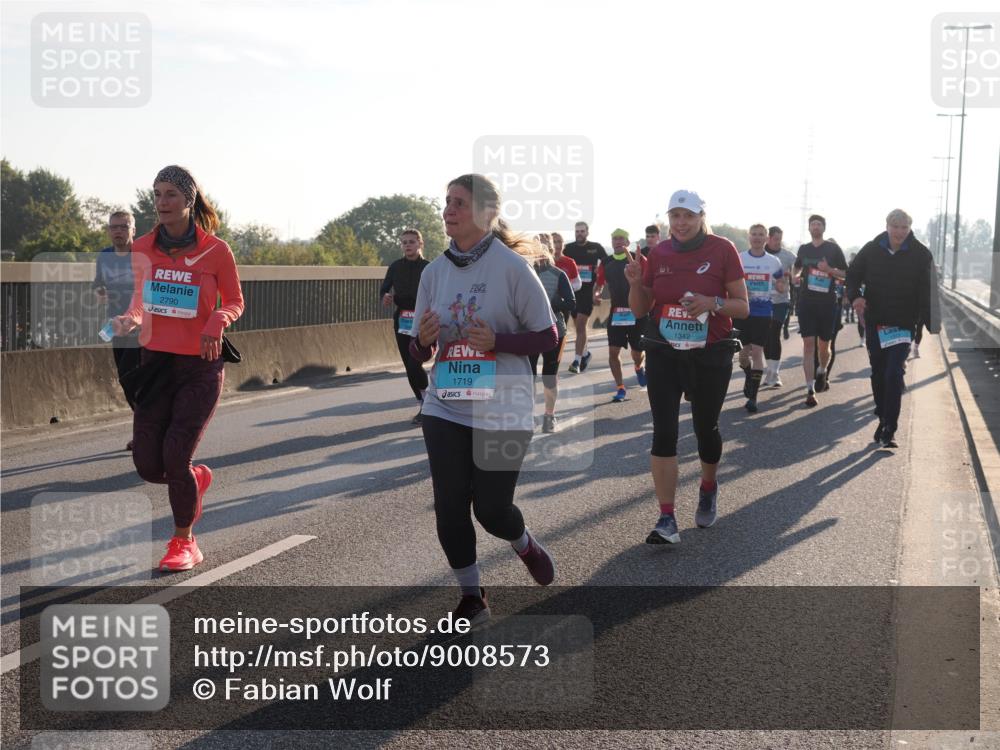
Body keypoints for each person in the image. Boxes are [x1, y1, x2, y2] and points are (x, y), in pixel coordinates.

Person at [409, 174, 558, 625]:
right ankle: (472, 594)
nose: (447, 211)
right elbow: (418, 350)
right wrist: (424, 342)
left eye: (459, 203)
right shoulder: (433, 272)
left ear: (487, 212)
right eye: (446, 202)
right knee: (450, 502)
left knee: (491, 510)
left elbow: (549, 336)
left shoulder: (512, 268)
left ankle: (523, 543)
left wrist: (499, 340)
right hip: (447, 403)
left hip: (504, 405)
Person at [112, 165, 244, 572]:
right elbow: (140, 299)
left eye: (170, 194)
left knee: (175, 454)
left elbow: (234, 301)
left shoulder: (216, 250)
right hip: (156, 365)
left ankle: (184, 540)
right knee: (149, 465)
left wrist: (216, 321)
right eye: (157, 194)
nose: (162, 202)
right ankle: (194, 478)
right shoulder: (142, 249)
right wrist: (129, 319)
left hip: (199, 368)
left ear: (189, 200)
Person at [626, 190, 748, 545]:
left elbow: (742, 306)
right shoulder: (659, 252)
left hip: (711, 352)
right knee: (663, 431)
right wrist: (636, 283)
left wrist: (713, 302)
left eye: (688, 216)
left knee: (705, 428)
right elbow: (639, 309)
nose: (680, 223)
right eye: (675, 216)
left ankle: (708, 486)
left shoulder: (722, 248)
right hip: (664, 351)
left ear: (700, 217)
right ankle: (666, 517)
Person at [847, 209, 936, 449]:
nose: (899, 232)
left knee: (894, 373)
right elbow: (853, 275)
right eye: (895, 227)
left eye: (904, 227)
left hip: (903, 324)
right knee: (878, 373)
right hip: (876, 321)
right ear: (887, 226)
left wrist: (932, 323)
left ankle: (890, 429)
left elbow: (929, 289)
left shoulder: (921, 254)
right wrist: (855, 297)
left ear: (910, 228)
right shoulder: (872, 249)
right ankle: (883, 416)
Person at [94, 210, 140, 449]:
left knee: (135, 376)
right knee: (125, 379)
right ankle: (147, 429)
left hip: (141, 326)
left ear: (133, 229)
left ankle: (146, 433)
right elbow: (98, 286)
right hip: (115, 325)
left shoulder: (143, 253)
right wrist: (102, 293)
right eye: (114, 227)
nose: (118, 231)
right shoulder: (104, 256)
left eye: (123, 226)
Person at [792, 215, 847, 407]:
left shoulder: (833, 249)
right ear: (809, 228)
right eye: (812, 224)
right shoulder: (804, 249)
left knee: (824, 346)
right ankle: (810, 389)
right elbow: (797, 266)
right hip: (806, 302)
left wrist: (829, 269)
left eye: (819, 224)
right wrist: (795, 276)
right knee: (808, 345)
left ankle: (822, 370)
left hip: (827, 304)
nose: (815, 227)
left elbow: (846, 274)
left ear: (824, 227)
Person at [380, 229, 431, 425]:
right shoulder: (395, 267)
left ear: (420, 244)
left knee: (414, 362)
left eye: (411, 242)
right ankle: (423, 402)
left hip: (423, 320)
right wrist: (385, 296)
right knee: (408, 366)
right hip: (402, 319)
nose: (407, 245)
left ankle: (429, 403)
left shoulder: (429, 267)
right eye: (404, 242)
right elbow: (385, 288)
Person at [593, 228, 647, 402]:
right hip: (616, 313)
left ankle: (639, 367)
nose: (617, 241)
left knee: (637, 352)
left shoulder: (639, 260)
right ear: (611, 242)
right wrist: (597, 293)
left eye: (621, 238)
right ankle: (620, 388)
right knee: (613, 351)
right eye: (614, 238)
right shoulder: (606, 262)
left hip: (637, 312)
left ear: (627, 242)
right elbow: (600, 283)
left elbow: (648, 282)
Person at [737, 224, 786, 412]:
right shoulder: (740, 258)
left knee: (757, 352)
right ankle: (749, 375)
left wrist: (781, 286)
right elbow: (730, 281)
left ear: (766, 238)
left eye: (761, 235)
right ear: (749, 237)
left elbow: (781, 281)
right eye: (754, 234)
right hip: (743, 312)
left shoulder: (773, 261)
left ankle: (753, 397)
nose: (757, 238)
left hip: (763, 312)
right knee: (743, 356)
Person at [529, 241, 576, 432]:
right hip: (529, 331)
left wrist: (555, 301)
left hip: (554, 331)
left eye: (542, 247)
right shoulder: (525, 272)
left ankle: (549, 415)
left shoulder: (558, 274)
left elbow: (571, 303)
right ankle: (529, 415)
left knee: (549, 376)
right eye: (535, 247)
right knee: (528, 376)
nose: (539, 252)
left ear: (549, 250)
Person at [562, 221, 606, 373]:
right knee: (578, 327)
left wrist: (599, 276)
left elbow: (607, 264)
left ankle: (576, 361)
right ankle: (585, 354)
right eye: (577, 231)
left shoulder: (596, 247)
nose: (579, 233)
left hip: (588, 292)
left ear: (587, 232)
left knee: (580, 325)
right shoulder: (568, 248)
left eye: (582, 231)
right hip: (572, 293)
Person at [762, 226, 796, 387]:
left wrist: (794, 275)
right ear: (768, 238)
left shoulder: (788, 255)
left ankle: (775, 373)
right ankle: (769, 370)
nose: (778, 242)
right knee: (766, 336)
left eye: (780, 239)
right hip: (762, 301)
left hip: (781, 301)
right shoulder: (760, 254)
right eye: (775, 239)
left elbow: (799, 267)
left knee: (774, 332)